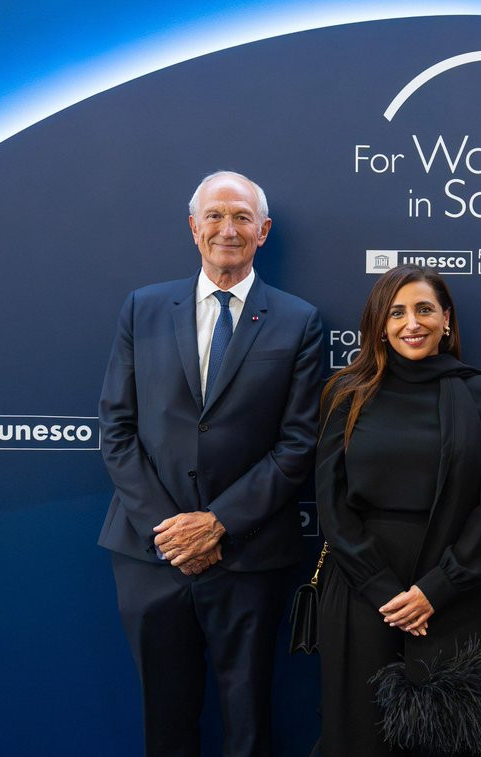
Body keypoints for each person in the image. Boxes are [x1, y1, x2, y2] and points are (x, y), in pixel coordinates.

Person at [98, 170, 323, 756]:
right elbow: (117, 430)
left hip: (248, 555)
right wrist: (173, 534)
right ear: (193, 227)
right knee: (165, 723)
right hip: (151, 554)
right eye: (215, 216)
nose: (228, 229)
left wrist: (218, 523)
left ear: (263, 231)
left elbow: (298, 443)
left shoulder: (299, 320)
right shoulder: (143, 308)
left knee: (248, 725)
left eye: (242, 217)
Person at [315, 265, 481, 757]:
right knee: (362, 740)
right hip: (363, 592)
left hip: (457, 595)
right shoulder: (347, 394)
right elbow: (331, 504)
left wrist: (435, 590)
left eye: (424, 309)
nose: (411, 323)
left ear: (446, 319)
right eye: (396, 313)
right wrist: (385, 592)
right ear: (380, 324)